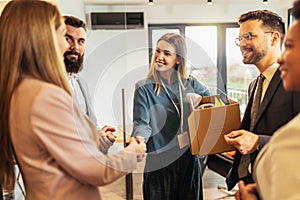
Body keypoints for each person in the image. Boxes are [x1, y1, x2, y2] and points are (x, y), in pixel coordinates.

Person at [0, 1, 146, 200]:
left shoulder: (23, 90)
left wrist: (97, 140)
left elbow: (61, 149)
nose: (69, 46)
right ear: (42, 38)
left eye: (80, 41)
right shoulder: (44, 95)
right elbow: (94, 170)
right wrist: (132, 153)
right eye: (63, 35)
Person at [224, 9, 300, 190]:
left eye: (249, 36)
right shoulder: (254, 84)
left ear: (274, 39)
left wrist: (258, 142)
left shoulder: (294, 82)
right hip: (253, 181)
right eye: (240, 38)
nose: (242, 44)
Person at [131, 33, 210, 200]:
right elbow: (142, 123)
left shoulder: (192, 84)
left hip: (188, 160)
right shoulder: (144, 88)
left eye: (167, 54)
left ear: (178, 59)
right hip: (158, 162)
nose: (159, 57)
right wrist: (139, 139)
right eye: (158, 51)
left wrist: (201, 105)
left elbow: (215, 106)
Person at [64, 15, 115, 152]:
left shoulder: (81, 84)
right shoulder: (45, 84)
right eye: (68, 39)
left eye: (81, 41)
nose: (75, 47)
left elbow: (91, 129)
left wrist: (101, 138)